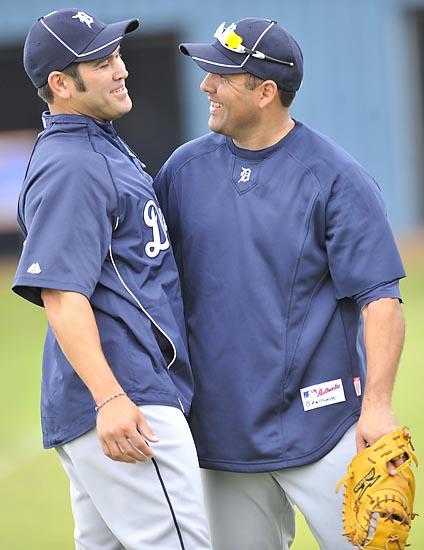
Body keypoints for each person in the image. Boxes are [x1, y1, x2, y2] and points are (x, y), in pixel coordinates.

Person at [153, 17, 407, 550]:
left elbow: (380, 299)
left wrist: (378, 405)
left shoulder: (337, 178)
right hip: (220, 438)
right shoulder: (181, 172)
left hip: (325, 426)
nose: (207, 86)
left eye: (222, 75)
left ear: (266, 92)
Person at [12, 8, 212, 550]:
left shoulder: (97, 145)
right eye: (101, 62)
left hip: (118, 397)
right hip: (127, 396)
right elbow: (61, 292)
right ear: (61, 84)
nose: (120, 69)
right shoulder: (73, 162)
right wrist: (110, 398)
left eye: (117, 55)